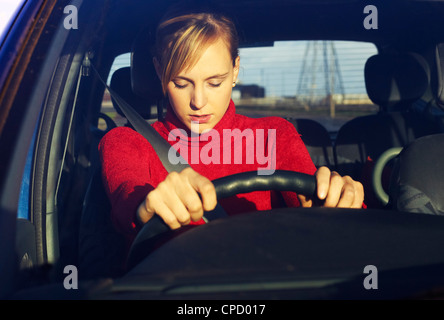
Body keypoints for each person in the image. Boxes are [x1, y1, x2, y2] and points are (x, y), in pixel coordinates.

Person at [99, 10, 364, 247]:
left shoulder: (273, 136)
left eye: (215, 82)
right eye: (181, 83)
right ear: (159, 71)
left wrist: (336, 199)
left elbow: (316, 211)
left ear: (235, 70)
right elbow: (128, 198)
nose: (198, 102)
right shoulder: (126, 142)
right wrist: (146, 207)